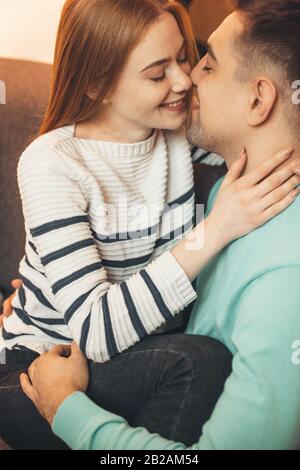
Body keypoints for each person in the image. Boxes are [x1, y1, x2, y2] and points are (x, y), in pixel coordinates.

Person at [1, 0, 300, 450]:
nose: (186, 79)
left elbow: (266, 137)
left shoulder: (183, 143)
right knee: (197, 362)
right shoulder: (54, 163)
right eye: (158, 73)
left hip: (132, 357)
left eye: (189, 58)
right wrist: (215, 229)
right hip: (44, 363)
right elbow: (95, 331)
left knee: (196, 361)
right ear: (98, 84)